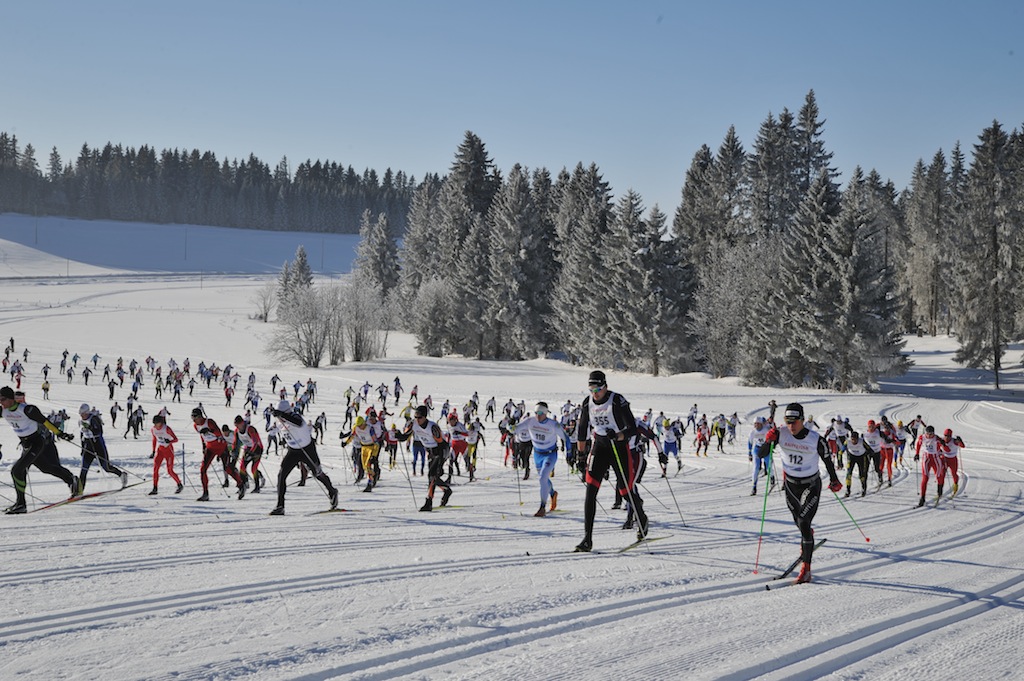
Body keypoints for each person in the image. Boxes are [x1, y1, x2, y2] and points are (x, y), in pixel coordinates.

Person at [757, 402, 842, 584]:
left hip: (811, 484)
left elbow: (828, 461)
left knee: (804, 521)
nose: (791, 426)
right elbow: (761, 454)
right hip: (790, 485)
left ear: (802, 420)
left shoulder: (815, 439)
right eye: (788, 421)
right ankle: (807, 536)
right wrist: (768, 440)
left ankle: (806, 570)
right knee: (800, 523)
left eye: (794, 422)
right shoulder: (781, 433)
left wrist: (834, 480)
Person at [573, 370, 647, 552]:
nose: (595, 393)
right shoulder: (588, 403)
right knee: (590, 491)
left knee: (624, 490)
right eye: (591, 389)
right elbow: (582, 430)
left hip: (618, 447)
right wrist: (580, 455)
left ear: (605, 386)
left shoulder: (616, 400)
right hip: (600, 447)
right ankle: (587, 539)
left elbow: (632, 428)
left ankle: (641, 517)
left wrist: (619, 435)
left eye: (598, 389)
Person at [1, 386, 78, 513]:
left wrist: (60, 433)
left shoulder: (27, 409)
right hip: (26, 445)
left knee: (17, 470)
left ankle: (21, 504)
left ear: (10, 399)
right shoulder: (3, 411)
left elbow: (45, 422)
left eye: (3, 399)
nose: (1, 402)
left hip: (36, 443)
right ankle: (71, 479)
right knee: (46, 468)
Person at [269, 399, 339, 515]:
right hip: (293, 451)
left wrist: (282, 415)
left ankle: (332, 491)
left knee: (317, 473)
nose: (279, 418)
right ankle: (280, 506)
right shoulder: (280, 422)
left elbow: (298, 423)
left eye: (280, 414)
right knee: (281, 475)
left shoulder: (295, 417)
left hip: (307, 450)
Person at [515, 401, 570, 517]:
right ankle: (553, 493)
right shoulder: (530, 421)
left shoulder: (553, 424)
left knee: (542, 478)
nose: (537, 416)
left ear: (545, 413)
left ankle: (542, 507)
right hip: (537, 454)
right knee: (543, 479)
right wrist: (511, 428)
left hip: (550, 454)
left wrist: (569, 453)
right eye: (536, 413)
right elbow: (517, 428)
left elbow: (566, 438)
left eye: (540, 413)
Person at [395, 405, 452, 511]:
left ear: (425, 417)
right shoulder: (413, 424)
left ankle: (428, 502)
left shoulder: (432, 427)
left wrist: (440, 463)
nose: (417, 419)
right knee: (433, 477)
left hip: (440, 450)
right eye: (416, 417)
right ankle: (446, 490)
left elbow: (441, 444)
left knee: (432, 475)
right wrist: (398, 435)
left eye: (420, 417)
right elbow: (404, 437)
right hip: (430, 451)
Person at [191, 407, 245, 501]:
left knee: (228, 469)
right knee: (203, 469)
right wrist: (203, 446)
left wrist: (209, 430)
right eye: (192, 418)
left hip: (221, 447)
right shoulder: (196, 426)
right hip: (210, 448)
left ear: (200, 417)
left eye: (195, 418)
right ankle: (205, 493)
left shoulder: (209, 422)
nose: (194, 420)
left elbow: (219, 433)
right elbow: (202, 436)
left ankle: (241, 485)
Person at [77, 403, 128, 494]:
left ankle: (121, 474)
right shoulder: (80, 421)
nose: (82, 416)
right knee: (84, 469)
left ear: (87, 412)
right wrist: (82, 448)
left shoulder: (94, 419)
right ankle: (79, 491)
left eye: (83, 414)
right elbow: (82, 435)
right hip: (88, 445)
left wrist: (90, 427)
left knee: (106, 467)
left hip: (98, 445)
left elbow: (99, 432)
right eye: (80, 414)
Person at [915, 425, 949, 507]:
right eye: (927, 434)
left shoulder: (937, 439)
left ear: (933, 433)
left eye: (931, 434)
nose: (929, 436)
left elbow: (947, 449)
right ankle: (922, 497)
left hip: (935, 459)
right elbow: (918, 444)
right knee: (925, 477)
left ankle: (939, 490)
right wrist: (917, 454)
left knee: (939, 475)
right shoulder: (922, 437)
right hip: (926, 459)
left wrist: (943, 444)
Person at [149, 414, 183, 494]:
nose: (156, 425)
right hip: (160, 450)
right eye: (154, 423)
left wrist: (170, 441)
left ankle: (179, 484)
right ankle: (155, 488)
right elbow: (154, 439)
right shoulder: (153, 429)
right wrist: (153, 451)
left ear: (160, 423)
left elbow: (176, 439)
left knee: (169, 470)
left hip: (168, 450)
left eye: (157, 423)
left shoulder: (167, 429)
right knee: (155, 469)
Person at [233, 415, 266, 493]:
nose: (237, 427)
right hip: (248, 448)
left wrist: (251, 453)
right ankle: (244, 486)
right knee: (242, 467)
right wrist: (233, 450)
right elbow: (235, 442)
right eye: (236, 425)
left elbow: (255, 442)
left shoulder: (250, 429)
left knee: (253, 468)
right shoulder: (236, 431)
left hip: (257, 449)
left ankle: (257, 487)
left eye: (238, 425)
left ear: (242, 423)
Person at [748, 416, 774, 495]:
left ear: (761, 424)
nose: (756, 425)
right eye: (755, 424)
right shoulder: (753, 432)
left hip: (765, 448)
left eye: (758, 424)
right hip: (757, 449)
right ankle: (754, 487)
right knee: (756, 468)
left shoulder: (766, 429)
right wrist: (749, 453)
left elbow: (772, 429)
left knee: (769, 465)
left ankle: (772, 479)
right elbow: (750, 442)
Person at [940, 428, 966, 497]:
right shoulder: (941, 440)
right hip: (944, 459)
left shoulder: (954, 441)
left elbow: (963, 446)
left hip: (952, 459)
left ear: (951, 436)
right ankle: (940, 490)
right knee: (942, 474)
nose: (946, 437)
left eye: (948, 436)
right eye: (945, 435)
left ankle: (955, 485)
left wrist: (960, 441)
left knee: (954, 473)